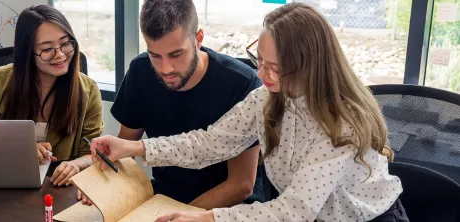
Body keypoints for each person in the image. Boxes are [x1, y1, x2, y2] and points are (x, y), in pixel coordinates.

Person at [88, 3, 409, 222]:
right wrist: (136, 147)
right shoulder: (270, 98)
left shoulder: (341, 125)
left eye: (274, 67)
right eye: (259, 60)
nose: (261, 74)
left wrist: (208, 217)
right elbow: (209, 144)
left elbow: (293, 210)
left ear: (308, 66)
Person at [78, 0, 266, 210]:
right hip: (163, 198)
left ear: (198, 39)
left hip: (229, 207)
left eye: (176, 54)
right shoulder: (141, 71)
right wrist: (99, 184)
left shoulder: (243, 84)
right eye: (155, 55)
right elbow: (125, 149)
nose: (166, 68)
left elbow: (241, 185)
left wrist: (182, 216)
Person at [0, 5, 104, 187]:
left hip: (57, 188)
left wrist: (77, 164)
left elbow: (91, 152)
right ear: (27, 53)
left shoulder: (88, 90)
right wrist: (17, 147)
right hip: (4, 182)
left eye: (65, 43)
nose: (60, 55)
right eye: (47, 49)